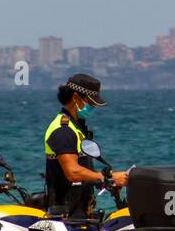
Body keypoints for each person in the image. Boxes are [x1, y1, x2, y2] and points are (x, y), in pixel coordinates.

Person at [44, 73, 128, 216]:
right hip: (67, 215)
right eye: (90, 103)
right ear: (76, 98)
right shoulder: (63, 130)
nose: (93, 107)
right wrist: (109, 178)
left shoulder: (77, 127)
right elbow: (73, 172)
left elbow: (83, 171)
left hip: (80, 209)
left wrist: (106, 183)